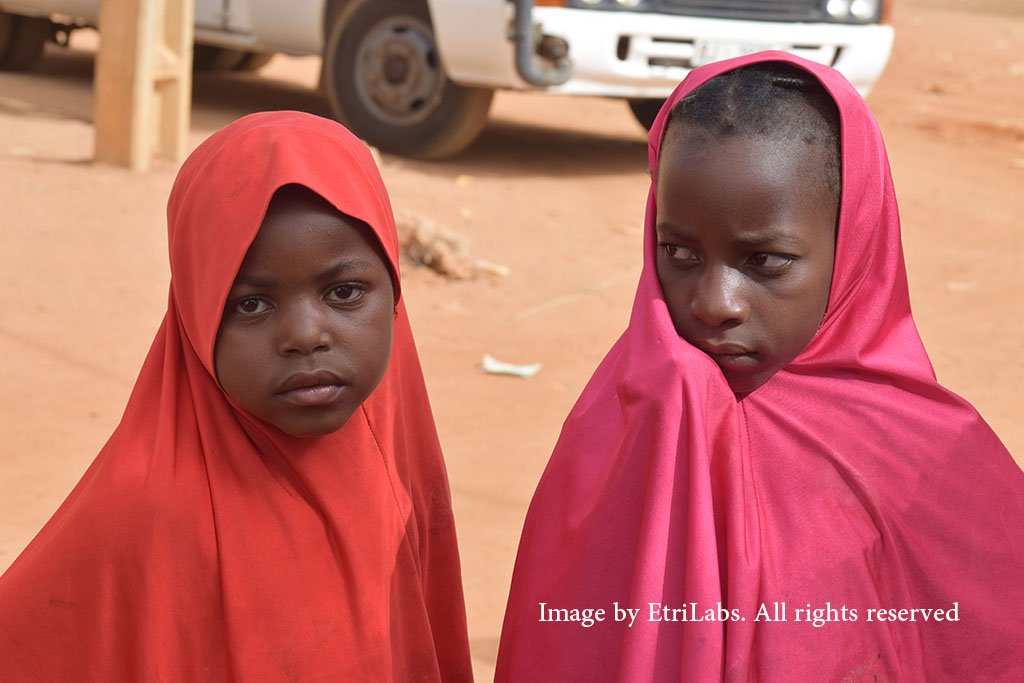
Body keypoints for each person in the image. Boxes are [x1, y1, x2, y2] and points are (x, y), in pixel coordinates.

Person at [495, 52, 1024, 681]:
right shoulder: (617, 430)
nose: (715, 303)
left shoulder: (936, 463)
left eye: (765, 261)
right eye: (678, 252)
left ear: (854, 244)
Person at [0, 111, 473, 682]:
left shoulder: (395, 452)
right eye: (250, 304)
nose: (305, 336)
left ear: (393, 291)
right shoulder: (149, 521)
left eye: (345, 292)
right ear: (195, 318)